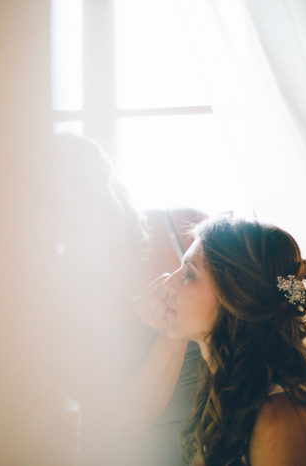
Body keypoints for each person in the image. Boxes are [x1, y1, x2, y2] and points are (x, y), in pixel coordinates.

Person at [50, 133, 206, 465]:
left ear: (116, 190)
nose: (103, 237)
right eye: (81, 232)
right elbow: (131, 418)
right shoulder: (53, 302)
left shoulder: (184, 230)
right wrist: (171, 330)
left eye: (107, 213)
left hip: (211, 445)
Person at [158, 215, 306, 465]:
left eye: (189, 273)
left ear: (236, 294)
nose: (168, 283)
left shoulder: (282, 417)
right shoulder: (226, 391)